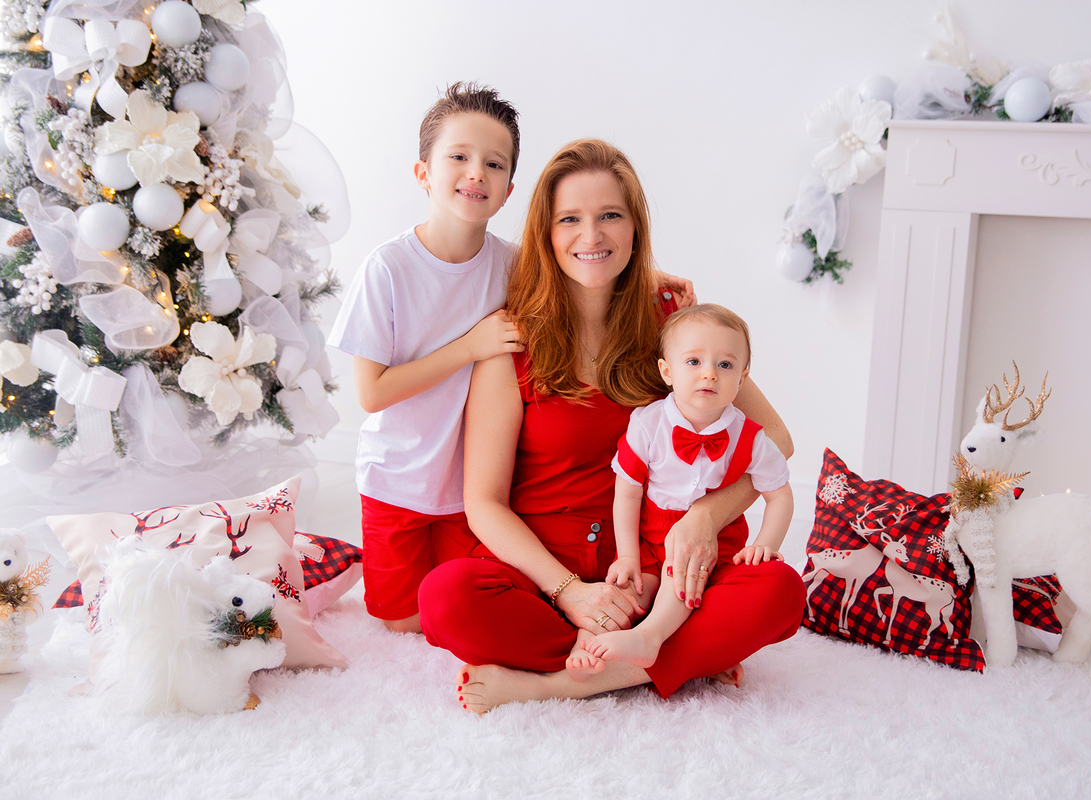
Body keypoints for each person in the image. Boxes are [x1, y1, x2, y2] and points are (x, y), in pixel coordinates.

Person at [418, 139, 806, 714]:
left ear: (634, 228)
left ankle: (558, 681)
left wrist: (705, 517)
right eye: (569, 219)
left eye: (609, 217)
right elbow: (484, 503)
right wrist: (571, 594)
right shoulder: (509, 340)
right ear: (546, 234)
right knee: (446, 599)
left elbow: (775, 441)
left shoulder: (675, 323)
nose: (590, 236)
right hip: (551, 574)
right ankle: (662, 657)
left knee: (779, 593)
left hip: (669, 570)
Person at [326, 82, 525, 633]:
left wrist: (653, 278)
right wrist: (469, 347)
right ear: (424, 173)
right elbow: (372, 392)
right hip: (397, 481)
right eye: (459, 157)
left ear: (509, 189)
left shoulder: (513, 265)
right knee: (400, 620)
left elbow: (581, 264)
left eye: (493, 163)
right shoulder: (388, 268)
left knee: (464, 606)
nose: (476, 173)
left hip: (472, 491)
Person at [576, 304, 795, 672]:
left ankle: (651, 639)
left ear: (742, 379)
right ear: (667, 371)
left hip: (715, 541)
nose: (709, 373)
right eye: (694, 362)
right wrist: (628, 554)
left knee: (690, 581)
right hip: (651, 536)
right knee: (626, 593)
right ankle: (587, 645)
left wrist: (765, 545)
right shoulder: (647, 424)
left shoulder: (750, 437)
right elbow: (627, 491)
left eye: (724, 365)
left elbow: (780, 494)